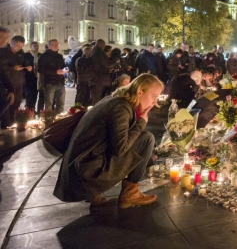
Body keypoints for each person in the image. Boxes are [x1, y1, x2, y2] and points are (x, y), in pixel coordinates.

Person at [53, 74, 163, 208]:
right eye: (153, 96)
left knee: (142, 139)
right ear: (140, 91)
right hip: (86, 170)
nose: (155, 102)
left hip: (80, 164)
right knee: (147, 139)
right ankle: (130, 194)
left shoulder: (116, 99)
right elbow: (120, 148)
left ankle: (94, 193)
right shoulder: (121, 108)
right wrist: (141, 122)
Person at [0, 36, 32, 127]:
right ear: (11, 42)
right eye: (17, 45)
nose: (18, 48)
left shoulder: (21, 53)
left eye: (21, 46)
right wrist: (13, 68)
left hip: (19, 82)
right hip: (7, 83)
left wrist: (28, 67)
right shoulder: (3, 52)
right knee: (7, 104)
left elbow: (25, 63)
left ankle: (13, 122)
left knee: (17, 103)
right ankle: (5, 124)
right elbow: (2, 69)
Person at [37, 39, 67, 114]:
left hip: (60, 82)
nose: (56, 46)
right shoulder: (43, 56)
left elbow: (63, 66)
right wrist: (55, 72)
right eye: (54, 44)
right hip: (50, 82)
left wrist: (65, 69)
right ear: (49, 46)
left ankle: (59, 119)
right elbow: (40, 69)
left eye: (57, 44)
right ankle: (49, 119)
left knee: (61, 103)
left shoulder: (59, 56)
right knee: (49, 103)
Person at [90, 39, 118, 105]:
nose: (104, 46)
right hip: (100, 79)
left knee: (96, 98)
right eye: (103, 44)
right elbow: (108, 64)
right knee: (97, 99)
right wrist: (115, 62)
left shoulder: (92, 52)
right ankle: (96, 113)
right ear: (101, 44)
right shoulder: (99, 53)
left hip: (95, 78)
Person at [0, 27, 15, 126]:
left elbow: (4, 72)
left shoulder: (3, 53)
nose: (5, 40)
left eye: (6, 37)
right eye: (1, 37)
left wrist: (10, 90)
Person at [24, 41, 41, 112]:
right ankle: (28, 109)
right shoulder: (27, 55)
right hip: (29, 78)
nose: (36, 47)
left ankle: (33, 109)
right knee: (29, 95)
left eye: (37, 46)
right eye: (34, 46)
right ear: (30, 47)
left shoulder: (40, 55)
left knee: (35, 95)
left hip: (38, 78)